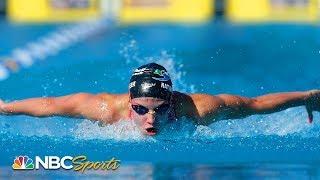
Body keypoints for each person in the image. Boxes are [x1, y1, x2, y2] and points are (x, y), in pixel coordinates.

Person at [0, 63, 319, 136]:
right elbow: (49, 106)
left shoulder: (197, 109)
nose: (150, 119)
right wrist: (2, 108)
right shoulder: (107, 109)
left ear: (172, 103)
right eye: (140, 110)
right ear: (129, 102)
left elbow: (255, 105)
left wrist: (304, 97)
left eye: (159, 110)